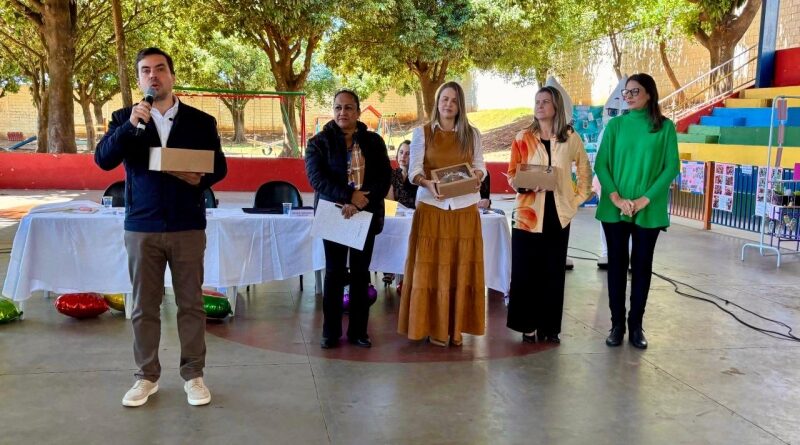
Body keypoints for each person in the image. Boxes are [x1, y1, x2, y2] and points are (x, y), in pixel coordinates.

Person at [95, 47, 227, 407]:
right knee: (143, 306)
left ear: (171, 75)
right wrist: (129, 126)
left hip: (187, 225)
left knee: (191, 305)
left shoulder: (200, 121)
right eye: (145, 71)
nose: (153, 76)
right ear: (139, 79)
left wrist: (198, 178)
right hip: (142, 225)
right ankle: (146, 376)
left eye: (160, 69)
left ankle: (194, 375)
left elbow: (219, 167)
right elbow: (103, 159)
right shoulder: (124, 117)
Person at [397, 81, 487, 347]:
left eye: (454, 100)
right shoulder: (421, 133)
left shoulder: (472, 134)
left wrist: (477, 177)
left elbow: (480, 166)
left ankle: (455, 329)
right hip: (431, 209)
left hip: (464, 210)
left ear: (461, 106)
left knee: (460, 269)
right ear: (437, 102)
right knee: (430, 272)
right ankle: (430, 328)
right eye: (445, 99)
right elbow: (414, 171)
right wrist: (427, 183)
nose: (449, 104)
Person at [594, 73, 679, 349]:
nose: (628, 96)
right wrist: (617, 198)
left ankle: (636, 325)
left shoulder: (665, 127)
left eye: (634, 91)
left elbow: (671, 167)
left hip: (648, 210)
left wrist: (644, 200)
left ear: (649, 93)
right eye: (626, 92)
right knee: (616, 268)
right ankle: (617, 324)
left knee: (642, 267)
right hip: (615, 208)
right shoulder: (616, 125)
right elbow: (601, 165)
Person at [305, 89, 392, 349]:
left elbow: (384, 177)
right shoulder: (318, 142)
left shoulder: (374, 141)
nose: (343, 112)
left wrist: (360, 201)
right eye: (338, 107)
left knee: (360, 275)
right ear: (333, 111)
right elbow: (317, 178)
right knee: (334, 274)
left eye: (348, 107)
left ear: (358, 111)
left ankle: (358, 332)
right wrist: (348, 196)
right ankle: (330, 333)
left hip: (365, 213)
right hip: (334, 214)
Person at [505, 86, 591, 344]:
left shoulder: (570, 137)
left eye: (545, 101)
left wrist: (577, 200)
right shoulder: (522, 137)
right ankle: (527, 325)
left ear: (556, 107)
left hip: (558, 212)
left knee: (553, 271)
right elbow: (512, 174)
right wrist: (524, 185)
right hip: (527, 213)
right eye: (537, 101)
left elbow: (584, 170)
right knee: (525, 271)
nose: (540, 106)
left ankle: (550, 327)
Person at [387, 140, 418, 209]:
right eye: (401, 152)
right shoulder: (391, 174)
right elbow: (390, 205)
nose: (403, 156)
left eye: (407, 153)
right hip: (395, 213)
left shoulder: (417, 176)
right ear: (397, 154)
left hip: (414, 213)